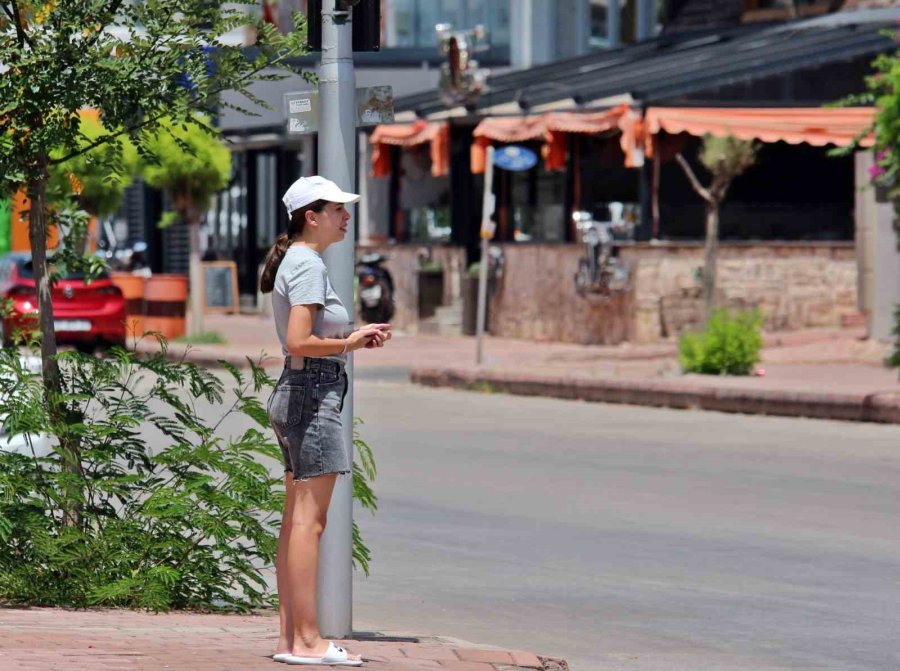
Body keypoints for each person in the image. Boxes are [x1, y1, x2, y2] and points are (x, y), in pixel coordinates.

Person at [260, 175, 391, 667]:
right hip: (312, 392)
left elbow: (303, 337)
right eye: (337, 209)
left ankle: (289, 639)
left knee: (297, 520)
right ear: (310, 217)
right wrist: (348, 344)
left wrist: (352, 334)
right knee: (309, 524)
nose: (346, 216)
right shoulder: (308, 265)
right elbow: (298, 340)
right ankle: (309, 642)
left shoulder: (295, 260)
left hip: (298, 390)